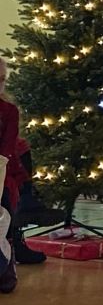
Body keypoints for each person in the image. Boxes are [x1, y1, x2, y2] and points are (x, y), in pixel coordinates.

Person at [0, 58, 48, 267]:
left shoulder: (8, 110)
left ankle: (14, 239)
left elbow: (7, 149)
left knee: (21, 149)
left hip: (3, 168)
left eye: (3, 79)